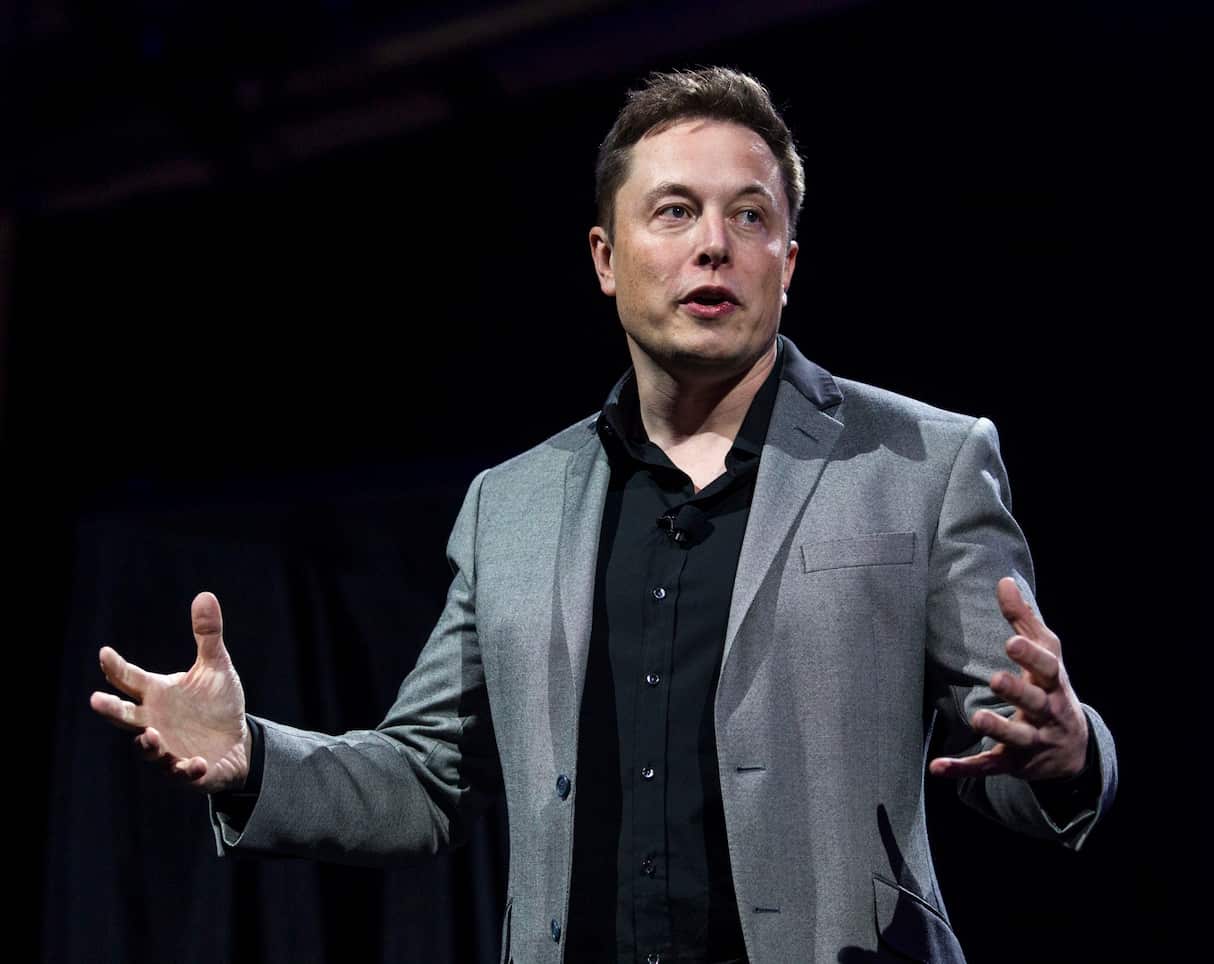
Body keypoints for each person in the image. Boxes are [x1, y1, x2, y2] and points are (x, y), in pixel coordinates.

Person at [91, 67, 1116, 963]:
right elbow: (428, 777)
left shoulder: (923, 463)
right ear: (604, 257)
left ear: (788, 263)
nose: (712, 244)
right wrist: (253, 759)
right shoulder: (511, 505)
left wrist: (1067, 753)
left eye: (749, 216)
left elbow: (1007, 752)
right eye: (674, 211)